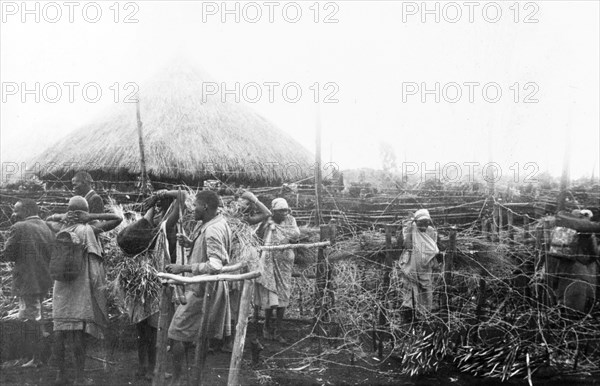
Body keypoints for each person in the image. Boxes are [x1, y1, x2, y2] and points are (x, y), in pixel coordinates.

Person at [46, 196, 122, 385]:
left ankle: (60, 375)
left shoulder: (61, 229)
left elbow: (48, 219)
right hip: (82, 283)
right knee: (79, 329)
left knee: (60, 327)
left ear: (70, 211)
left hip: (62, 285)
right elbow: (117, 218)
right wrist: (90, 216)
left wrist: (65, 216)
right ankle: (79, 378)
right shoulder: (89, 229)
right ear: (85, 212)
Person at [116, 189, 188, 379]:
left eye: (158, 209)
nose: (156, 213)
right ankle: (152, 368)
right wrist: (164, 195)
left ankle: (146, 367)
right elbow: (182, 196)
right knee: (153, 329)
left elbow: (180, 199)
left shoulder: (155, 227)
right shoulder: (157, 228)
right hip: (153, 285)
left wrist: (159, 197)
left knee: (147, 329)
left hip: (146, 285)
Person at [165, 190, 232, 383]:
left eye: (195, 205)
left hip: (202, 290)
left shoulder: (212, 230)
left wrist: (183, 267)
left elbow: (215, 264)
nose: (193, 209)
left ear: (206, 207)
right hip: (206, 289)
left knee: (176, 333)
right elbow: (213, 252)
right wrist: (191, 243)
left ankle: (177, 380)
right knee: (200, 336)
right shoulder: (216, 224)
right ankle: (195, 378)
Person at [2, 199, 55, 366]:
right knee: (36, 316)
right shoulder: (46, 227)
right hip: (43, 279)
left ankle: (38, 358)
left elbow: (8, 254)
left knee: (31, 319)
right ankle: (35, 356)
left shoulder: (19, 227)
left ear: (25, 211)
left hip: (27, 281)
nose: (13, 214)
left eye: (16, 211)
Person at [255, 198, 300, 343]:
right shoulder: (267, 220)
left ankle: (278, 330)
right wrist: (266, 226)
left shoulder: (291, 220)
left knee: (283, 294)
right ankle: (267, 327)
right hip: (269, 261)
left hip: (285, 261)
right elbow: (257, 236)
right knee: (270, 292)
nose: (284, 213)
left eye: (285, 210)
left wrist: (286, 239)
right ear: (273, 211)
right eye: (280, 211)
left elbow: (295, 235)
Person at [398, 209, 439, 320]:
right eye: (421, 222)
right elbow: (407, 245)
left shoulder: (431, 231)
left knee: (426, 290)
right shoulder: (411, 229)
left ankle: (424, 316)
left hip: (425, 266)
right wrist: (410, 228)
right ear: (416, 222)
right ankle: (409, 317)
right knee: (410, 290)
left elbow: (433, 247)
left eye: (426, 222)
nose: (424, 225)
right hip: (412, 264)